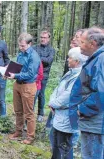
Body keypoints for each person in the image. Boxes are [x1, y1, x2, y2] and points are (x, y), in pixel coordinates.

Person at [69, 27, 104, 159]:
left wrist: (81, 109)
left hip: (95, 123)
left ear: (93, 43)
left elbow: (101, 93)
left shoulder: (101, 60)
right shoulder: (95, 59)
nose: (80, 45)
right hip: (91, 122)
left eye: (82, 42)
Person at [49, 47, 87, 159]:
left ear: (77, 61)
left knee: (64, 148)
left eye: (70, 58)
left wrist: (54, 104)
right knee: (56, 145)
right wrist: (52, 102)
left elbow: (67, 96)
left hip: (67, 119)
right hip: (59, 117)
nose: (67, 60)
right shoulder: (70, 73)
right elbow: (58, 89)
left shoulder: (78, 76)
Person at [8, 33, 40, 145]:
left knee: (29, 113)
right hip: (18, 84)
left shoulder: (34, 56)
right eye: (20, 46)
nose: (21, 48)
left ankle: (30, 137)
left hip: (28, 86)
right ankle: (18, 131)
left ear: (29, 44)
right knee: (18, 110)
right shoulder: (20, 54)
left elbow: (31, 74)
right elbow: (17, 67)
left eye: (23, 46)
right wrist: (8, 73)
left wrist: (15, 75)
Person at [32, 30, 55, 122]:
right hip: (34, 74)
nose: (43, 39)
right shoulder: (34, 48)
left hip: (44, 75)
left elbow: (48, 61)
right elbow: (32, 59)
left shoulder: (51, 50)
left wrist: (37, 57)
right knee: (33, 94)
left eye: (45, 37)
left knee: (41, 94)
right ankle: (30, 113)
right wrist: (41, 59)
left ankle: (40, 114)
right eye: (41, 37)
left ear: (48, 39)